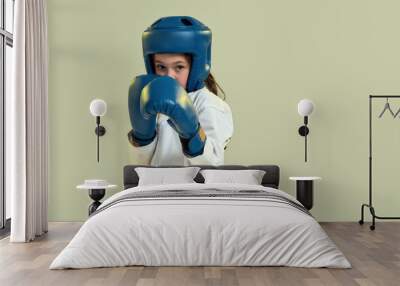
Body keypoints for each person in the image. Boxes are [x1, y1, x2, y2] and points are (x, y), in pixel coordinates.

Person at [127, 16, 233, 166]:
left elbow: (213, 166)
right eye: (161, 67)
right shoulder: (152, 97)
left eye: (179, 67)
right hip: (154, 187)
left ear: (197, 66)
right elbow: (142, 166)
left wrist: (192, 133)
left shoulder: (211, 106)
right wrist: (142, 136)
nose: (170, 76)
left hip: (193, 189)